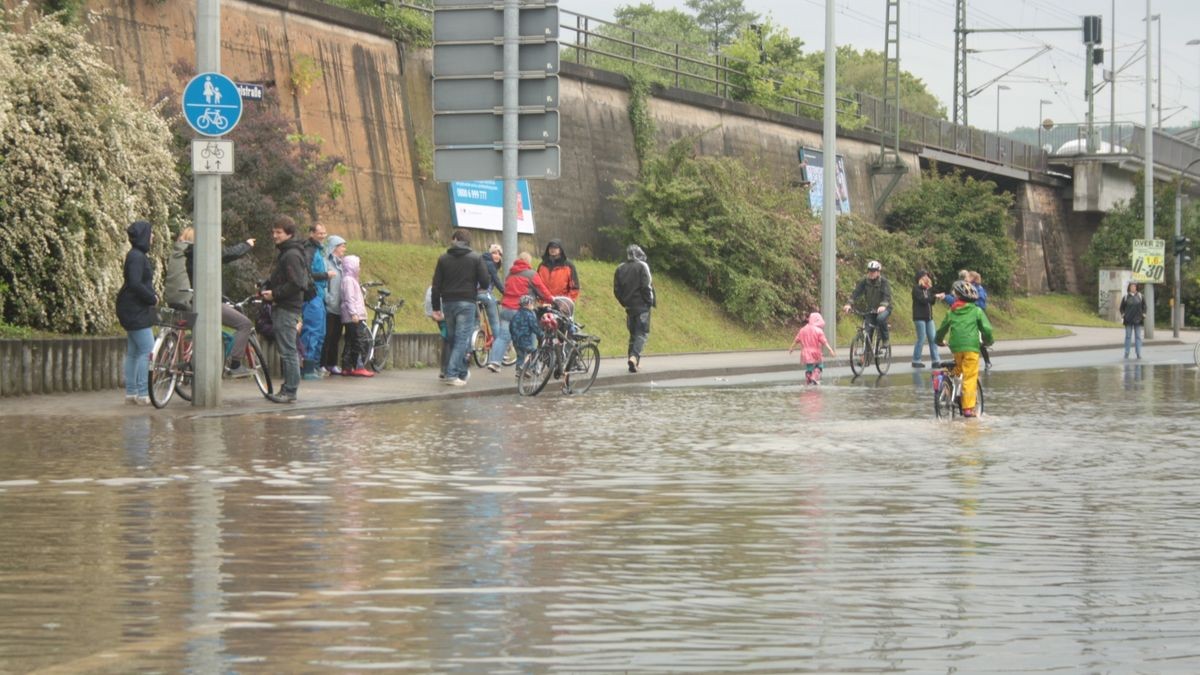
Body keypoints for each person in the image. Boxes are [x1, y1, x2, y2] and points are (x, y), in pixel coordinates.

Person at [163, 226, 257, 377]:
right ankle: (235, 364)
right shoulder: (197, 252)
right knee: (244, 324)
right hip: (197, 301)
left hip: (177, 300)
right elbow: (226, 254)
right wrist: (246, 245)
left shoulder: (178, 252)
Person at [430, 229, 489, 386]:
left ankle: (462, 373)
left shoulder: (443, 259)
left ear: (455, 239)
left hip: (448, 303)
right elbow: (485, 282)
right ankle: (451, 374)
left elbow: (436, 285)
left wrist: (436, 307)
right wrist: (477, 286)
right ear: (468, 242)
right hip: (466, 302)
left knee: (452, 338)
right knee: (462, 339)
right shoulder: (476, 258)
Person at [260, 216, 309, 403]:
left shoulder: (291, 255)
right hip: (286, 306)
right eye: (274, 232)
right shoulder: (288, 252)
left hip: (287, 308)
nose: (274, 236)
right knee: (288, 350)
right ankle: (288, 388)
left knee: (288, 351)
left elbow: (297, 283)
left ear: (289, 233)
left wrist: (275, 294)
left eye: (278, 232)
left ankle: (290, 391)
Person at [935, 279, 995, 418]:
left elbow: (942, 330)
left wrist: (938, 341)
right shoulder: (977, 311)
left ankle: (950, 388)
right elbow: (986, 329)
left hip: (955, 347)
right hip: (971, 348)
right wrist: (988, 341)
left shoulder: (951, 311)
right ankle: (968, 408)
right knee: (970, 376)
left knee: (958, 369)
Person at [116, 220, 159, 405]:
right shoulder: (137, 257)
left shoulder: (134, 255)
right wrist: (152, 297)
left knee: (134, 352)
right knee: (147, 350)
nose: (153, 237)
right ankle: (143, 393)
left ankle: (131, 393)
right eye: (151, 233)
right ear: (144, 235)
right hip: (135, 309)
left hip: (130, 308)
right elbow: (135, 283)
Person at [490, 251, 553, 374]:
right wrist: (552, 300)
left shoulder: (509, 275)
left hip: (506, 309)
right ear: (528, 262)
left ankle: (494, 362)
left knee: (503, 337)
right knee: (529, 338)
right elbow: (543, 290)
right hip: (521, 312)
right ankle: (525, 367)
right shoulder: (531, 274)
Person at [613, 244, 656, 373]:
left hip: (629, 307)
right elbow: (646, 286)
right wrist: (649, 302)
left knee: (633, 334)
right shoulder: (643, 266)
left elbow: (616, 290)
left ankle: (633, 362)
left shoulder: (620, 268)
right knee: (642, 333)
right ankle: (634, 357)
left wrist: (624, 302)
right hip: (642, 306)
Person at [300, 223, 330, 380]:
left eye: (324, 233)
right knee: (312, 331)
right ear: (311, 233)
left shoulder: (319, 249)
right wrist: (325, 275)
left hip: (320, 296)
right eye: (320, 233)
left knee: (321, 332)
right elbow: (307, 273)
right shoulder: (309, 250)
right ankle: (307, 368)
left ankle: (316, 366)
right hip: (312, 296)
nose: (323, 236)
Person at [842, 260, 893, 346]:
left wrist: (883, 306)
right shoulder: (865, 281)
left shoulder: (883, 282)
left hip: (885, 308)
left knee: (880, 319)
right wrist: (849, 304)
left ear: (878, 272)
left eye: (874, 271)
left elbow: (886, 295)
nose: (871, 273)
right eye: (870, 271)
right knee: (868, 331)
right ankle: (866, 353)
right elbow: (856, 293)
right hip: (871, 309)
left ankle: (885, 339)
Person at [339, 254, 374, 377]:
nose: (359, 268)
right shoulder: (349, 280)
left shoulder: (350, 279)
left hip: (352, 315)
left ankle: (347, 366)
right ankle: (358, 366)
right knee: (357, 340)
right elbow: (350, 298)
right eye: (357, 266)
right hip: (354, 316)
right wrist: (354, 313)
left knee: (350, 340)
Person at [321, 235, 347, 375]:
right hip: (330, 306)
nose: (344, 249)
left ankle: (332, 363)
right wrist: (328, 298)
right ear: (334, 247)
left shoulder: (341, 264)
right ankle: (323, 364)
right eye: (342, 246)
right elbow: (324, 283)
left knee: (336, 337)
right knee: (327, 336)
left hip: (339, 307)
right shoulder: (326, 263)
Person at [788, 311, 836, 385]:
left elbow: (797, 339)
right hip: (816, 352)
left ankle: (808, 378)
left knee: (809, 367)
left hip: (805, 353)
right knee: (819, 365)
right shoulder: (818, 331)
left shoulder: (803, 330)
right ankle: (814, 377)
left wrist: (792, 347)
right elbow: (824, 342)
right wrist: (830, 350)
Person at [479, 243, 505, 371]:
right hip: (484, 295)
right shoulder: (490, 264)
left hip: (472, 296)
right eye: (494, 252)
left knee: (474, 323)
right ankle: (499, 353)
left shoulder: (480, 260)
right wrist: (506, 293)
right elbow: (497, 282)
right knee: (496, 323)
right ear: (490, 253)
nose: (497, 256)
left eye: (499, 254)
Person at [910, 270, 941, 368]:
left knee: (933, 338)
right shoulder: (916, 289)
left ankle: (936, 360)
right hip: (919, 317)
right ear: (920, 278)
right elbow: (923, 300)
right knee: (922, 338)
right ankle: (916, 360)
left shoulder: (928, 289)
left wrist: (934, 295)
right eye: (925, 276)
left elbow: (931, 302)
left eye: (927, 276)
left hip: (929, 317)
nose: (927, 278)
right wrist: (933, 295)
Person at [509, 294, 543, 371]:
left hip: (516, 341)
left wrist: (513, 337)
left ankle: (519, 370)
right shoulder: (529, 315)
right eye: (532, 303)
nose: (533, 305)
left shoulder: (516, 314)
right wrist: (541, 334)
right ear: (528, 304)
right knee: (534, 352)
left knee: (520, 356)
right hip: (525, 341)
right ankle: (530, 369)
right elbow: (534, 327)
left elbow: (511, 326)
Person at [970, 271, 993, 370]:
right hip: (969, 316)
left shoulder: (979, 288)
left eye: (969, 276)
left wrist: (974, 301)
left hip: (976, 316)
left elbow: (982, 302)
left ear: (974, 278)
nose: (967, 277)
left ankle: (987, 361)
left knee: (979, 341)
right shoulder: (967, 286)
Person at [1120, 280, 1146, 359]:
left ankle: (1138, 353)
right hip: (1128, 320)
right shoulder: (1126, 297)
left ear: (1136, 287)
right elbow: (1121, 308)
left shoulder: (1141, 296)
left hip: (1138, 319)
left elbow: (1144, 306)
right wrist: (1123, 314)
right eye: (1131, 286)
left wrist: (1144, 314)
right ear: (1129, 288)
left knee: (1138, 336)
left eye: (1134, 286)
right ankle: (1126, 353)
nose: (1133, 288)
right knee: (1128, 336)